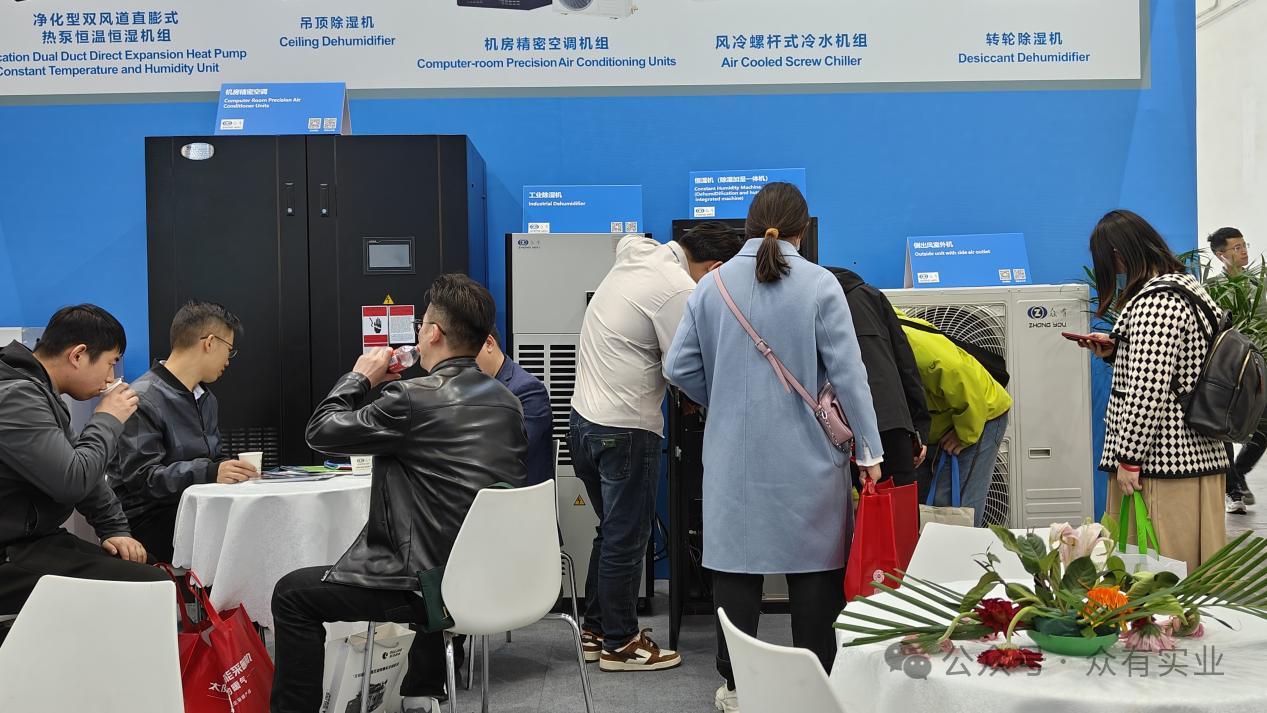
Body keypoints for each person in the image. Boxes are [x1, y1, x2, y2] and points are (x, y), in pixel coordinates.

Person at [665, 183, 885, 713]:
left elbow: (677, 366)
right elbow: (850, 375)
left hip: (731, 461)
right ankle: (814, 687)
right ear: (801, 230)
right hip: (809, 461)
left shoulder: (711, 285)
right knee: (814, 574)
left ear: (748, 225)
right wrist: (869, 453)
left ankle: (739, 688)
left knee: (736, 573)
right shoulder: (820, 284)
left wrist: (721, 395)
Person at [270, 275, 528, 713]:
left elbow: (320, 431)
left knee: (292, 594)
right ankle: (421, 693)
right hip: (495, 577)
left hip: (429, 588)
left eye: (421, 325)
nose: (418, 334)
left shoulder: (409, 397)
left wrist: (359, 377)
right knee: (436, 543)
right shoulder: (509, 403)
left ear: (433, 333)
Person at [569, 220, 743, 672]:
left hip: (583, 422)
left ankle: (596, 630)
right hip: (625, 427)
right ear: (715, 269)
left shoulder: (636, 257)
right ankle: (621, 644)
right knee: (627, 538)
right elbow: (682, 365)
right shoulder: (677, 287)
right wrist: (723, 403)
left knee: (613, 531)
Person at [1079, 209, 1227, 574]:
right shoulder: (1187, 288)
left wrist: (1129, 458)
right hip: (1197, 454)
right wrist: (1118, 351)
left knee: (1160, 578)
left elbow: (1148, 389)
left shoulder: (1155, 302)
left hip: (1161, 462)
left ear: (1118, 253)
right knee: (1194, 571)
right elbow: (1181, 367)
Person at [0, 304, 169, 617]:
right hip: (11, 554)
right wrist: (107, 418)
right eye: (110, 363)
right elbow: (72, 481)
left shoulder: (37, 390)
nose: (110, 378)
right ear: (77, 355)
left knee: (149, 568)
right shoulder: (16, 396)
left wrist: (115, 529)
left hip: (34, 542)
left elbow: (82, 470)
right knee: (150, 585)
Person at [108, 300, 258, 563]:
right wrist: (210, 472)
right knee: (243, 541)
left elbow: (213, 459)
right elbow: (142, 479)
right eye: (229, 350)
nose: (228, 360)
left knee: (254, 523)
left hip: (195, 509)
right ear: (209, 343)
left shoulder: (206, 398)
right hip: (150, 519)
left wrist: (230, 469)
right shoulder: (142, 398)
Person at [900, 310, 1012, 525]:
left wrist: (964, 434)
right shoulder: (886, 330)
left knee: (955, 506)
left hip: (979, 414)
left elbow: (963, 379)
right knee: (927, 505)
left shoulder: (911, 344)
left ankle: (963, 545)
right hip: (940, 421)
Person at [828, 267, 931, 491]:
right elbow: (905, 364)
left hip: (829, 427)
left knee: (828, 512)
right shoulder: (868, 295)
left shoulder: (802, 297)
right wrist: (919, 429)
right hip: (889, 421)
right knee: (896, 507)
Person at [1206, 226, 1260, 512]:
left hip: (1258, 366)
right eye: (1236, 248)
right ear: (1220, 254)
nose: (1243, 251)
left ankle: (1238, 471)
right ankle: (1233, 490)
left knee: (1264, 424)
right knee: (1224, 428)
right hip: (1226, 370)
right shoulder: (1212, 288)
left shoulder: (1257, 284)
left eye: (1244, 245)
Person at [475, 326, 553, 485]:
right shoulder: (476, 387)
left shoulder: (528, 390)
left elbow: (514, 451)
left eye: (469, 355)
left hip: (519, 492)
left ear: (489, 343)